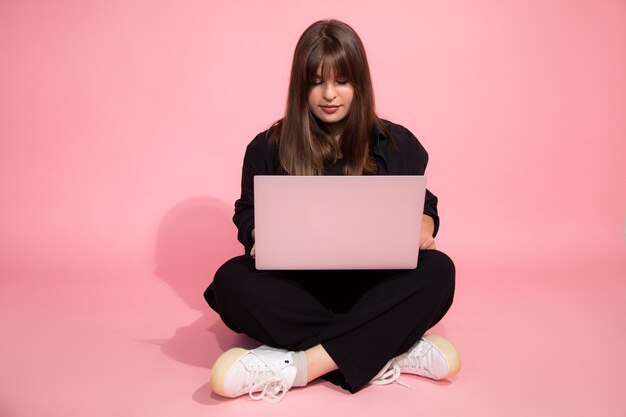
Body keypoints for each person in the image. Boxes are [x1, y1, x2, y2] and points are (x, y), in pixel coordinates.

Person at [204, 19, 460, 403]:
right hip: (298, 287)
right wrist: (260, 235)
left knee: (440, 272)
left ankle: (298, 366)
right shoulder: (267, 147)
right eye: (316, 82)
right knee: (230, 282)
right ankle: (393, 347)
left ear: (359, 83)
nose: (329, 94)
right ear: (300, 86)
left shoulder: (396, 143)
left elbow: (425, 205)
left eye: (341, 81)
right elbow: (247, 213)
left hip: (373, 285)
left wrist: (424, 225)